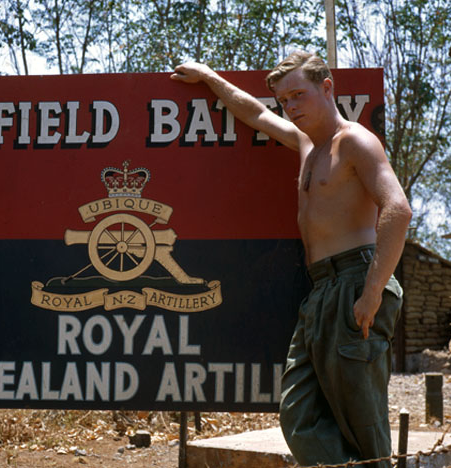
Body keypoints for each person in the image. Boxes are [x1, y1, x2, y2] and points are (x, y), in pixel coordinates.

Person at [171, 51, 412, 467]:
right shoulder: (307, 145)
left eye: (299, 94)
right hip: (321, 290)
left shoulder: (354, 140)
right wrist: (209, 76)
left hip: (356, 280)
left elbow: (398, 209)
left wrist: (372, 292)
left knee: (363, 424)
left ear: (327, 87)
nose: (291, 106)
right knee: (297, 412)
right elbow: (254, 114)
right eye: (285, 101)